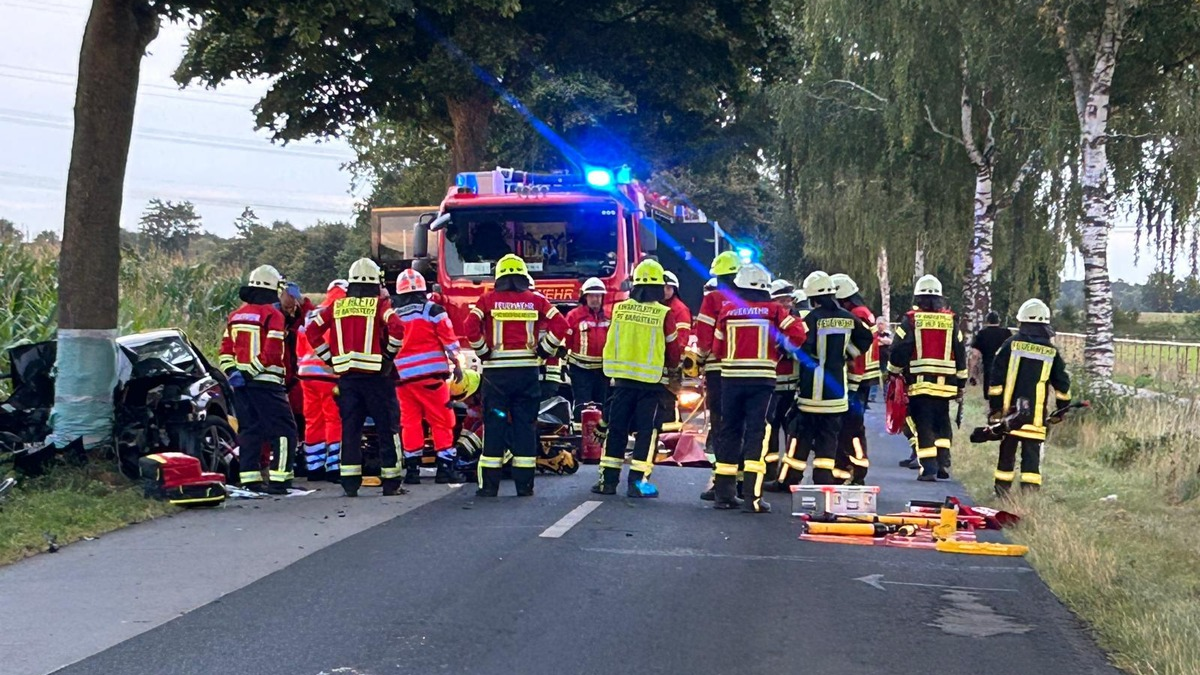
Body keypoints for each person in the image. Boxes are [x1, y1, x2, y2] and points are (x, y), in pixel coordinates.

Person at [463, 254, 568, 497]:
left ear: (499, 277)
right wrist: (545, 349)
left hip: (496, 376)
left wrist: (483, 351)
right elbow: (561, 325)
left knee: (495, 426)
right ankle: (524, 486)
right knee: (525, 427)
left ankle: (489, 487)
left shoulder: (487, 299)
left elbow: (470, 326)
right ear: (523, 276)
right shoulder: (536, 300)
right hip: (527, 375)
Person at [306, 258, 406, 497]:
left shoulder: (337, 306)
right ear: (376, 282)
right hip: (377, 379)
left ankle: (350, 483)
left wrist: (330, 359)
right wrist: (388, 357)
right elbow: (397, 329)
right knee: (387, 428)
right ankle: (391, 482)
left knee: (350, 430)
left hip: (348, 380)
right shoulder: (380, 306)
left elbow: (312, 331)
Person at [710, 264, 807, 512]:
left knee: (729, 432)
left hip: (730, 380)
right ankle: (752, 498)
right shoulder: (773, 310)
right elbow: (798, 334)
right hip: (761, 383)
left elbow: (718, 347)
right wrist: (782, 347)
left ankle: (724, 495)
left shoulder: (728, 309)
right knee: (756, 435)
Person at [591, 259, 683, 498]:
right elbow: (673, 350)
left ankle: (607, 482)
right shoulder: (664, 313)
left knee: (616, 430)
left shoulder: (619, 309)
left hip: (620, 381)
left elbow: (609, 341)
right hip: (651, 384)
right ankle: (638, 484)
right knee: (647, 432)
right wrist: (673, 370)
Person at [772, 271, 871, 488]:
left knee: (800, 438)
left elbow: (800, 346)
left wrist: (785, 348)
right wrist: (847, 353)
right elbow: (867, 337)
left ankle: (790, 481)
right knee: (828, 442)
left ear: (813, 297)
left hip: (811, 394)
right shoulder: (848, 317)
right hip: (837, 395)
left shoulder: (811, 319)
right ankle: (823, 483)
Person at [219, 265, 297, 495]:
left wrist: (234, 372)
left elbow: (224, 351)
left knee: (249, 430)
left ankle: (250, 479)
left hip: (241, 386)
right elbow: (272, 352)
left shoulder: (235, 316)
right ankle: (280, 480)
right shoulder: (273, 315)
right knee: (284, 431)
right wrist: (250, 372)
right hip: (266, 383)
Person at [888, 274, 967, 482]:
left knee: (924, 425)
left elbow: (899, 349)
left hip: (920, 385)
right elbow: (960, 353)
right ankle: (943, 463)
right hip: (946, 386)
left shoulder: (912, 321)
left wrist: (893, 371)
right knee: (942, 423)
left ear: (918, 298)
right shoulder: (951, 321)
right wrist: (961, 383)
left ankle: (929, 468)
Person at [987, 299, 1071, 495]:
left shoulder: (1010, 345)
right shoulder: (1052, 352)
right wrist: (1062, 409)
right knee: (1031, 455)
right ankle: (1030, 494)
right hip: (1036, 415)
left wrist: (996, 408)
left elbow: (996, 377)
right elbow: (1062, 384)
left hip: (1010, 413)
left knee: (1007, 452)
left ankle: (1002, 492)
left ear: (1022, 321)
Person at [391, 268, 465, 485]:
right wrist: (457, 365)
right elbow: (450, 341)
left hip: (402, 379)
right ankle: (445, 468)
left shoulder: (393, 313)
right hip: (431, 378)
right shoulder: (433, 311)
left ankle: (412, 470)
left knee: (410, 422)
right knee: (441, 421)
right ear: (424, 289)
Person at [693, 250, 742, 500]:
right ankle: (746, 482)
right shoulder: (753, 299)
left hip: (717, 370)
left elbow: (704, 335)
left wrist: (697, 361)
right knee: (745, 425)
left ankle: (723, 484)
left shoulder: (712, 299)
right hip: (747, 372)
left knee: (722, 426)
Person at [296, 280, 347, 483]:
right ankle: (333, 467)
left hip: (307, 374)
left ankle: (314, 468)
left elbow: (301, 344)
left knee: (313, 420)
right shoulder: (342, 311)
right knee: (333, 419)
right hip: (329, 374)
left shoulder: (312, 314)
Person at [832, 273, 879, 485]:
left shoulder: (856, 314)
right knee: (854, 428)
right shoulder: (865, 312)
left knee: (849, 428)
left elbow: (854, 348)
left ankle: (852, 472)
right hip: (864, 378)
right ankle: (854, 471)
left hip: (855, 379)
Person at [765, 279, 797, 479]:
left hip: (792, 384)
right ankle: (769, 471)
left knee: (792, 430)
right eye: (782, 300)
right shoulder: (769, 319)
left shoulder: (796, 320)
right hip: (772, 382)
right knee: (771, 427)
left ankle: (788, 474)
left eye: (789, 300)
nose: (787, 305)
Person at [565, 277, 610, 417]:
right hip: (580, 370)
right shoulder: (574, 316)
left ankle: (599, 435)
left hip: (602, 370)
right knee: (582, 405)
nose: (595, 299)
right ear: (585, 297)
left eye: (598, 295)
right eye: (591, 296)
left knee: (601, 404)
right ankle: (580, 435)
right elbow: (566, 340)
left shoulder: (609, 317)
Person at [657, 270, 692, 438]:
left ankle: (670, 438)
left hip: (671, 364)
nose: (664, 290)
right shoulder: (658, 307)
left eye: (668, 287)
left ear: (674, 289)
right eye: (662, 287)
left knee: (668, 400)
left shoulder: (679, 309)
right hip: (657, 362)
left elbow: (681, 339)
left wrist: (672, 359)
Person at [971, 311, 1012, 398]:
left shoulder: (982, 334)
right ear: (999, 321)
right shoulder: (1007, 333)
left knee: (990, 398)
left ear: (987, 321)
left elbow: (975, 355)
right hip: (1005, 371)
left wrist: (973, 375)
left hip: (989, 370)